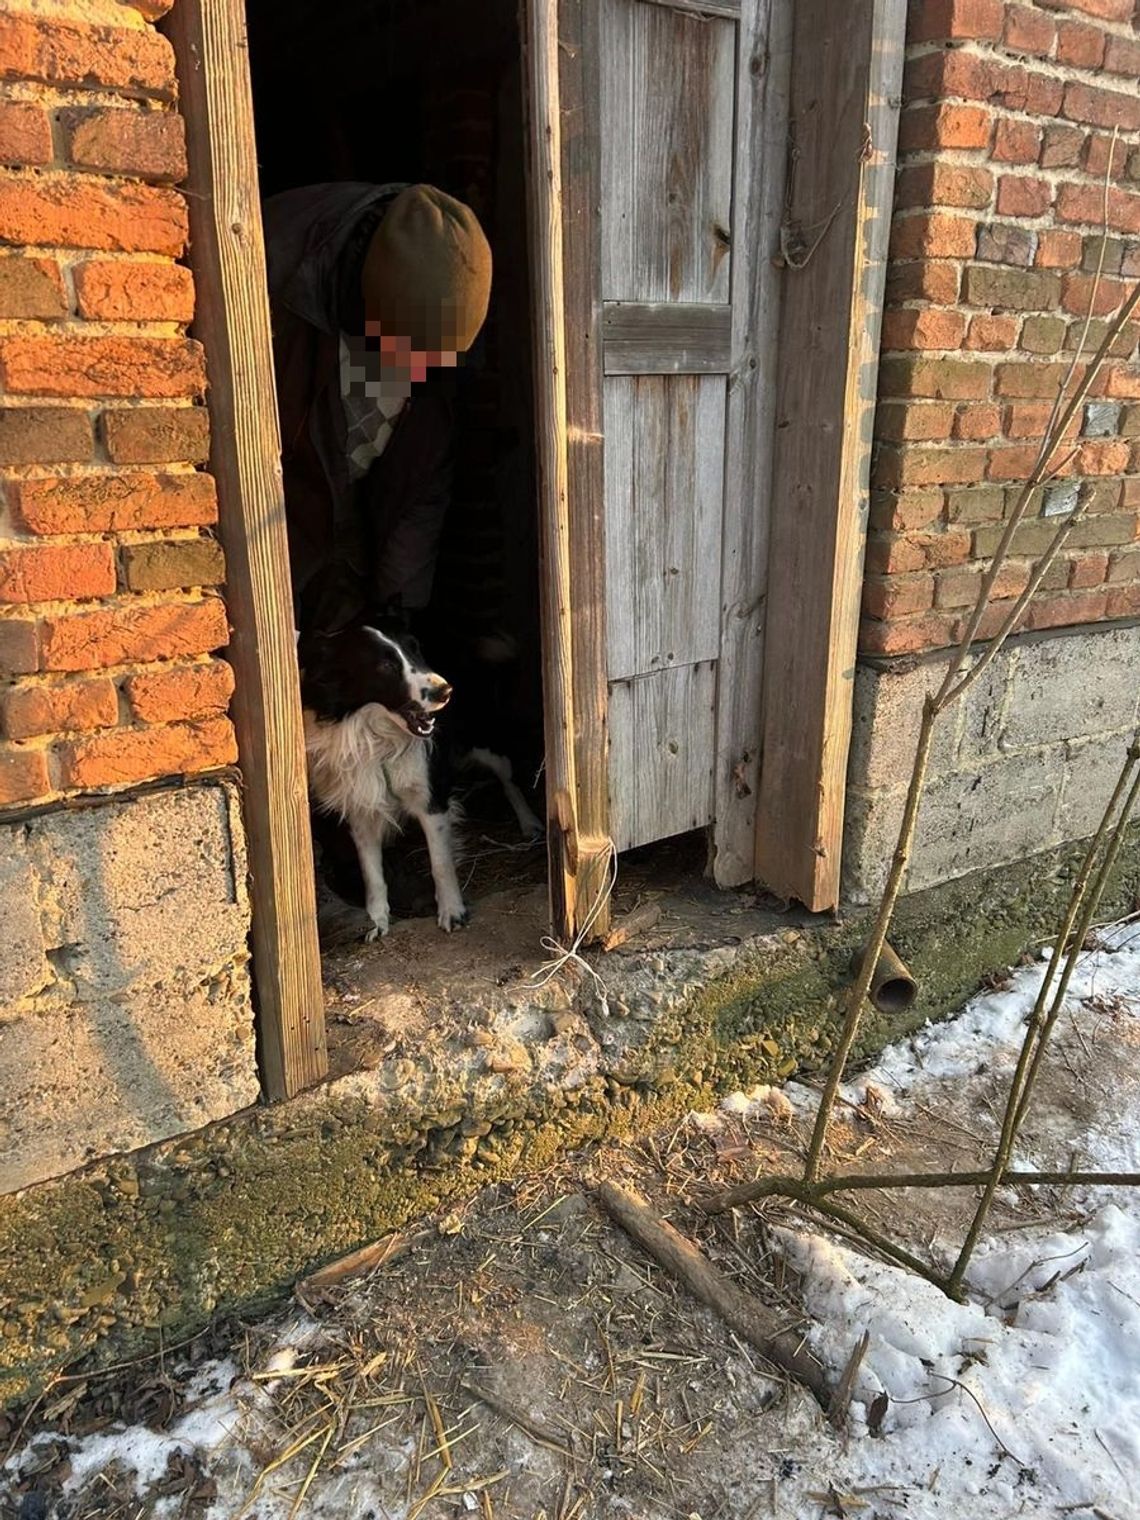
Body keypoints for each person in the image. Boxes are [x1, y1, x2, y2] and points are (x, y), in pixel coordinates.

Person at [262, 181, 493, 636]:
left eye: (439, 358)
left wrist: (397, 609)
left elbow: (421, 482)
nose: (425, 371)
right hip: (271, 525)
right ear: (375, 312)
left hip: (349, 537)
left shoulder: (448, 323)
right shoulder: (271, 270)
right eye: (415, 352)